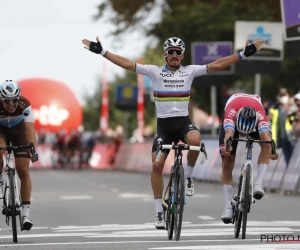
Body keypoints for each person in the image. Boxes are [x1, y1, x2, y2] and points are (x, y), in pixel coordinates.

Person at [82, 36, 262, 229]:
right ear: (165, 55)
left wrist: (243, 54)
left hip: (183, 124)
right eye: (171, 52)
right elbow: (127, 64)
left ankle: (189, 178)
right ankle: (159, 211)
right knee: (157, 165)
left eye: (178, 52)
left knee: (195, 139)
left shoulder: (190, 71)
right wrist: (102, 52)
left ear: (182, 55)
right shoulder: (154, 71)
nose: (175, 55)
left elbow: (218, 64)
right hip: (164, 128)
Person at [219, 93, 278, 224]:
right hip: (233, 120)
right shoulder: (231, 112)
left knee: (265, 144)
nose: (244, 135)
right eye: (242, 133)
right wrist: (226, 147)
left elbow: (265, 135)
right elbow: (229, 133)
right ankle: (227, 207)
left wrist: (272, 150)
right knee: (227, 162)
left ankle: (258, 184)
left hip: (253, 116)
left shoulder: (260, 114)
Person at [0, 80, 38, 230]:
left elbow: (30, 130)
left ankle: (25, 215)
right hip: (1, 130)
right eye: (8, 101)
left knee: (23, 170)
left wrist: (32, 149)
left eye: (15, 100)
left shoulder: (24, 104)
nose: (12, 104)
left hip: (18, 130)